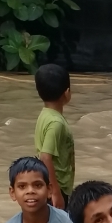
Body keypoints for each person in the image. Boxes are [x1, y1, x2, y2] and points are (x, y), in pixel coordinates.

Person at [34, 63, 75, 209]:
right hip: (57, 187)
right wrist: (56, 192)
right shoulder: (56, 123)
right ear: (67, 92)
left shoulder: (44, 114)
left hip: (50, 185)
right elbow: (45, 156)